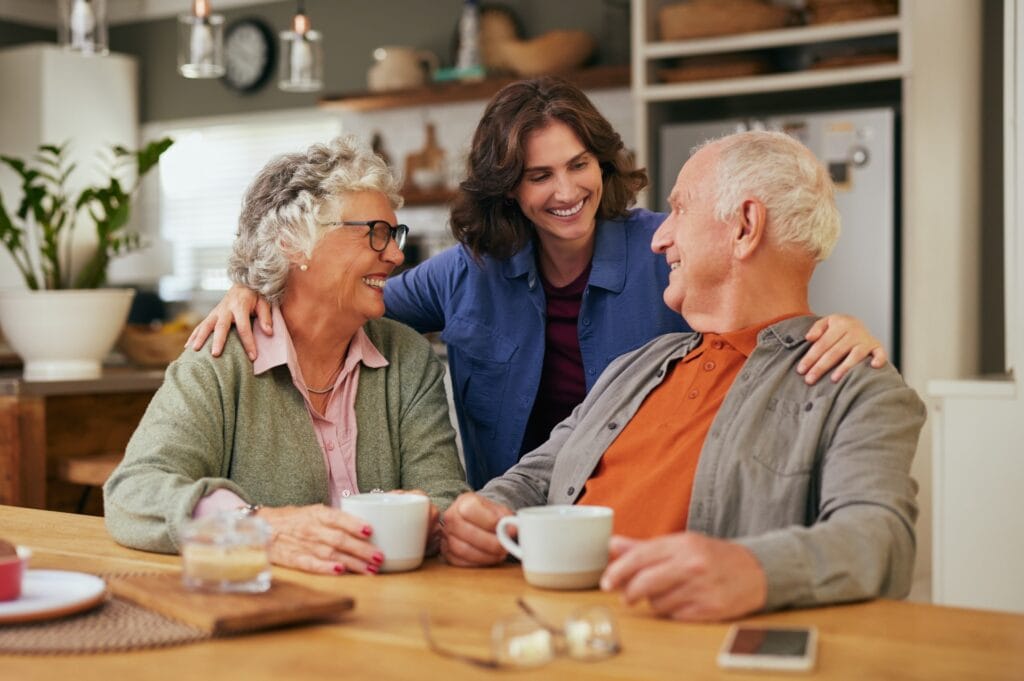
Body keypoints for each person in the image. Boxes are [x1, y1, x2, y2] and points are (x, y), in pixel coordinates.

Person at [187, 77, 887, 489]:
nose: (566, 191)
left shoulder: (662, 247)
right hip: (514, 519)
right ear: (508, 189)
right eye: (539, 174)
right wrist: (258, 289)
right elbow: (343, 301)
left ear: (602, 165)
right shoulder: (470, 268)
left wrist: (834, 327)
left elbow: (759, 313)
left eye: (578, 165)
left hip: (644, 512)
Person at [439, 130, 926, 621]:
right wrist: (485, 513)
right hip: (547, 628)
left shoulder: (854, 386)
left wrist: (755, 570)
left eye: (680, 210)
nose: (659, 237)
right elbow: (535, 477)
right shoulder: (637, 365)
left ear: (745, 226)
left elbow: (881, 538)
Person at [104, 137, 468, 575]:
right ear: (294, 244)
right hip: (267, 613)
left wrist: (428, 516)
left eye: (394, 234)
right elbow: (134, 492)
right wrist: (258, 527)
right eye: (376, 233)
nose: (394, 254)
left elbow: (445, 498)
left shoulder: (408, 358)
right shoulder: (220, 360)